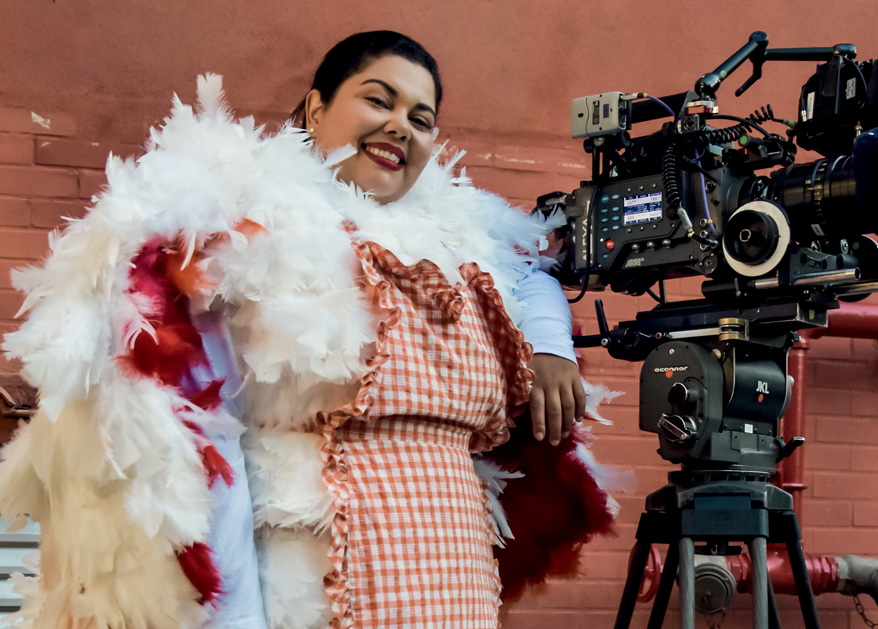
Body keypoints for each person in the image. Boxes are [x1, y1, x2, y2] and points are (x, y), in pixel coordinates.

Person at [0, 30, 616, 629]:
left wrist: (548, 344)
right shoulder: (242, 225)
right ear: (318, 109)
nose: (402, 124)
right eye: (379, 99)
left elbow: (532, 265)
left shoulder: (456, 242)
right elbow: (196, 436)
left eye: (422, 117)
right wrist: (234, 617)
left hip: (453, 584)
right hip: (315, 590)